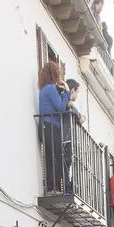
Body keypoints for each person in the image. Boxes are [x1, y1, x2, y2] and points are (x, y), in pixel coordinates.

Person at [37, 60, 70, 193]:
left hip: (45, 126)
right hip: (51, 126)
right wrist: (67, 92)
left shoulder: (45, 89)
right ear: (55, 74)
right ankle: (66, 188)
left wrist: (61, 94)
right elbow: (61, 107)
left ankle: (52, 188)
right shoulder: (50, 89)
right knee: (59, 157)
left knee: (51, 158)